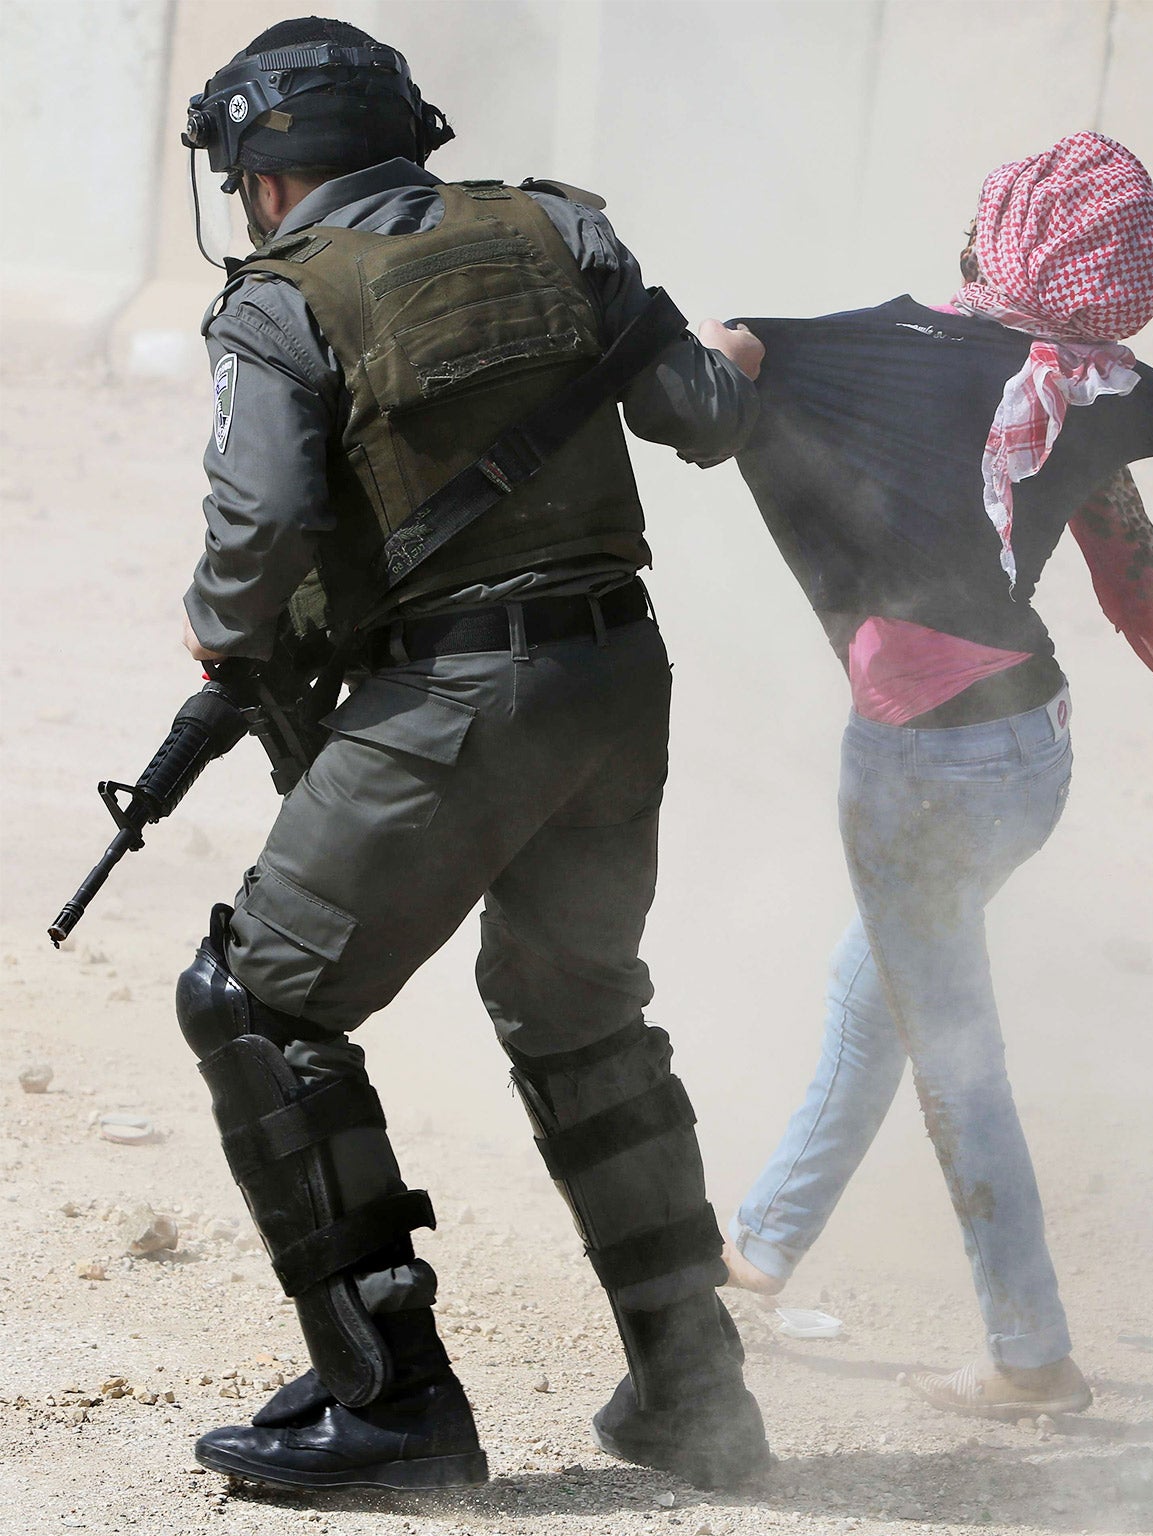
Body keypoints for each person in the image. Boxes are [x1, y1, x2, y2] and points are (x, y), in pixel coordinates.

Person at [169, 16, 772, 1491]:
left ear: (262, 176)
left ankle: (389, 1403)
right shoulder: (564, 229)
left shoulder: (282, 299)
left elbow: (256, 533)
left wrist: (220, 633)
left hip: (456, 700)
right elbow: (698, 412)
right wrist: (738, 361)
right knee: (579, 1013)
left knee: (257, 998)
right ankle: (695, 1393)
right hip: (617, 677)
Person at [699, 132, 1153, 1420]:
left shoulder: (843, 342)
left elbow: (718, 362)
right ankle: (759, 1245)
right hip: (1029, 756)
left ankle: (1031, 1353)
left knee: (951, 1048)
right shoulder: (1113, 387)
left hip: (919, 765)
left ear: (991, 232)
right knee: (879, 987)